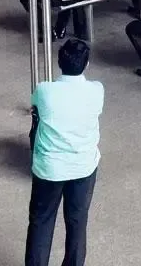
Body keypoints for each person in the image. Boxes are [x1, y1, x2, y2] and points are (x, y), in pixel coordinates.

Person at [25, 39, 102, 266]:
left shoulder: (45, 90)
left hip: (50, 168)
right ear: (86, 65)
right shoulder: (97, 90)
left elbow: (36, 108)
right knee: (77, 221)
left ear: (59, 63)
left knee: (41, 220)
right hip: (83, 166)